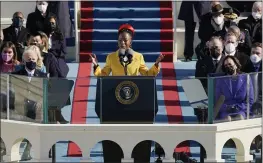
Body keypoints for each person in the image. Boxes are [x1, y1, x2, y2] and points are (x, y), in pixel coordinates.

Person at [89, 24, 164, 163]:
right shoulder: (111, 57)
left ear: (131, 42)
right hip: (116, 98)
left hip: (135, 98)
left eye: (125, 40)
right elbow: (103, 75)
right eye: (120, 41)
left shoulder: (138, 57)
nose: (122, 43)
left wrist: (156, 65)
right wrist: (95, 65)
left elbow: (147, 74)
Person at [215, 56, 254, 121]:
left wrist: (239, 107)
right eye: (226, 65)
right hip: (226, 110)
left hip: (241, 109)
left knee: (239, 118)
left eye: (230, 64)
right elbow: (217, 100)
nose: (228, 66)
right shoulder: (220, 80)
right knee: (227, 119)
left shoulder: (246, 78)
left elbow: (250, 100)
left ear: (236, 65)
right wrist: (227, 108)